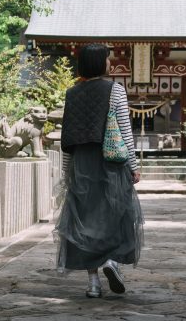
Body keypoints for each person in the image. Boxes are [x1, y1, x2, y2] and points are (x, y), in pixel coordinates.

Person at [54, 43, 144, 298]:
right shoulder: (114, 90)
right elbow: (124, 129)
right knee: (115, 213)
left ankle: (93, 284)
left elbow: (67, 136)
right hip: (110, 161)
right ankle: (110, 261)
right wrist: (133, 166)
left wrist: (66, 171)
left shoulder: (72, 93)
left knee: (85, 221)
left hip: (82, 162)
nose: (110, 62)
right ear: (99, 62)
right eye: (107, 58)